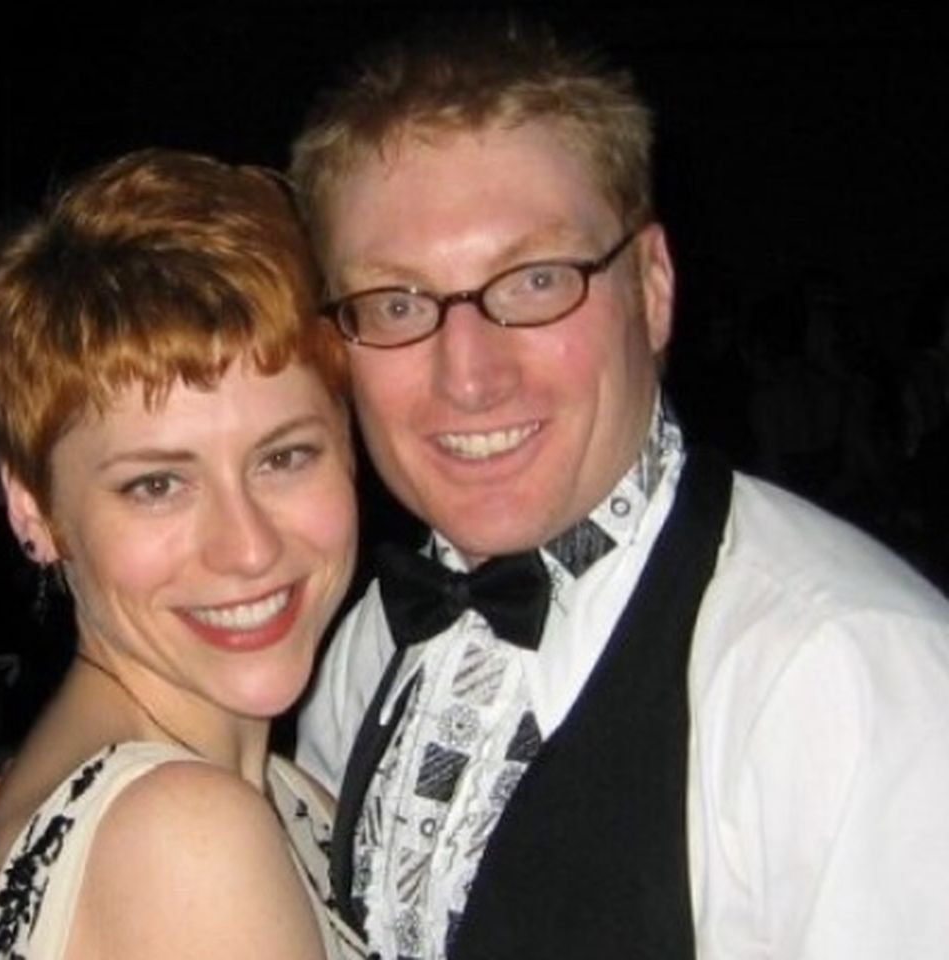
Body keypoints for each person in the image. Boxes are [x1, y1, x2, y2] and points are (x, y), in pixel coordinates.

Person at [289, 20, 949, 960]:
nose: (468, 377)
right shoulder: (365, 645)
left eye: (535, 280)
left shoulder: (844, 679)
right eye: (397, 302)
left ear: (653, 284)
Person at [0, 149, 365, 959]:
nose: (249, 548)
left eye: (284, 457)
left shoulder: (287, 796)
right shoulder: (183, 837)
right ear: (35, 508)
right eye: (157, 484)